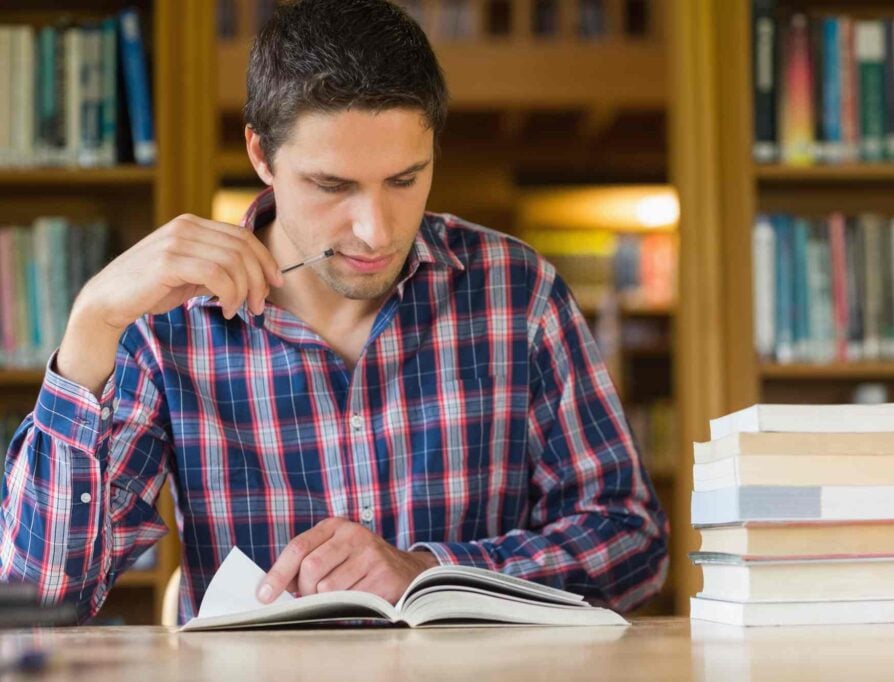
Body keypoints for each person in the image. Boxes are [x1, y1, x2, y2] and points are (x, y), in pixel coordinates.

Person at [0, 0, 668, 623]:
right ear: (263, 155)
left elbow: (632, 543)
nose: (376, 231)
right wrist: (90, 327)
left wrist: (432, 571)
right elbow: (42, 594)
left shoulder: (516, 292)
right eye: (333, 185)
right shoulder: (169, 324)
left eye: (405, 179)